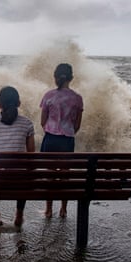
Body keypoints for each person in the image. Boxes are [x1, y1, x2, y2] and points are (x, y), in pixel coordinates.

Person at [0, 86, 35, 227]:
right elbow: (31, 156)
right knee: (24, 171)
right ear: (19, 103)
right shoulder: (27, 123)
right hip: (20, 180)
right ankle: (19, 216)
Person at [40, 63, 83, 218]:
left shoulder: (48, 95)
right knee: (65, 175)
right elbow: (77, 125)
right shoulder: (77, 98)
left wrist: (52, 130)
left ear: (55, 77)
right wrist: (67, 131)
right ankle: (63, 210)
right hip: (67, 140)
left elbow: (42, 121)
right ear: (71, 78)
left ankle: (48, 210)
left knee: (50, 175)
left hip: (50, 138)